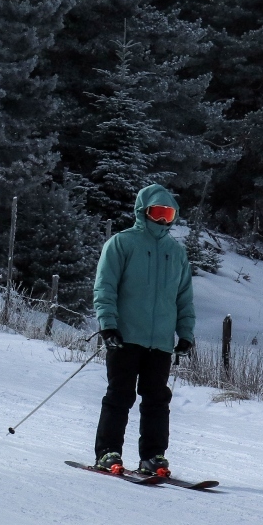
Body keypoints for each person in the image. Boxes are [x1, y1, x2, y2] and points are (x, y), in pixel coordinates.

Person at [92, 184, 195, 476]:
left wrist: (185, 332)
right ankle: (108, 452)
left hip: (160, 342)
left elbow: (184, 296)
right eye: (157, 212)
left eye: (168, 213)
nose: (163, 220)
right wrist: (108, 325)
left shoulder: (176, 253)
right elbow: (105, 287)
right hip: (125, 337)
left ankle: (153, 456)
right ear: (143, 212)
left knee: (157, 401)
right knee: (120, 395)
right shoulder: (122, 243)